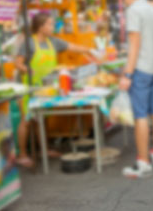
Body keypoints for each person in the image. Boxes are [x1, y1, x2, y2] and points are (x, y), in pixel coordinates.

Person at [14, 12, 94, 168]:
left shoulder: (53, 42)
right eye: (50, 24)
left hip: (45, 87)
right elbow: (18, 63)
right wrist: (26, 69)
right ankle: (22, 154)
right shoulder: (29, 43)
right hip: (27, 86)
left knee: (41, 119)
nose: (53, 27)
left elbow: (74, 47)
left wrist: (91, 50)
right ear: (41, 26)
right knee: (27, 120)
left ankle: (44, 149)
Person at [119, 0, 153, 178]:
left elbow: (134, 44)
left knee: (140, 115)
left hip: (140, 69)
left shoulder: (133, 10)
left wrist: (127, 74)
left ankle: (143, 161)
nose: (123, 2)